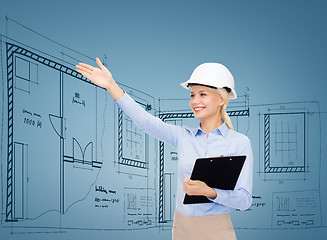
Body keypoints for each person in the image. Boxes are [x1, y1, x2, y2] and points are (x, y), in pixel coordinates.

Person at [76, 59, 253, 240]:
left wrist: (210, 192)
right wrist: (111, 86)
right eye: (192, 95)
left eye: (203, 94)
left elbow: (245, 200)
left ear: (221, 99)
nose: (195, 101)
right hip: (183, 227)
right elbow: (146, 121)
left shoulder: (239, 143)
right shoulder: (183, 136)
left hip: (217, 229)